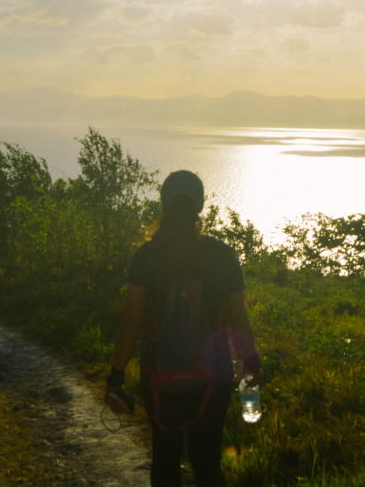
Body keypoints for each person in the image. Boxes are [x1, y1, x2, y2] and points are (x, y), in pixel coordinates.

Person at [106, 170, 261, 487]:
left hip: (159, 376)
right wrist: (252, 364)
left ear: (163, 204)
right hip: (214, 377)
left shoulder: (146, 257)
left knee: (165, 459)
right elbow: (238, 318)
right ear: (200, 205)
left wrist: (116, 375)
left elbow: (132, 322)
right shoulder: (223, 255)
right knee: (207, 462)